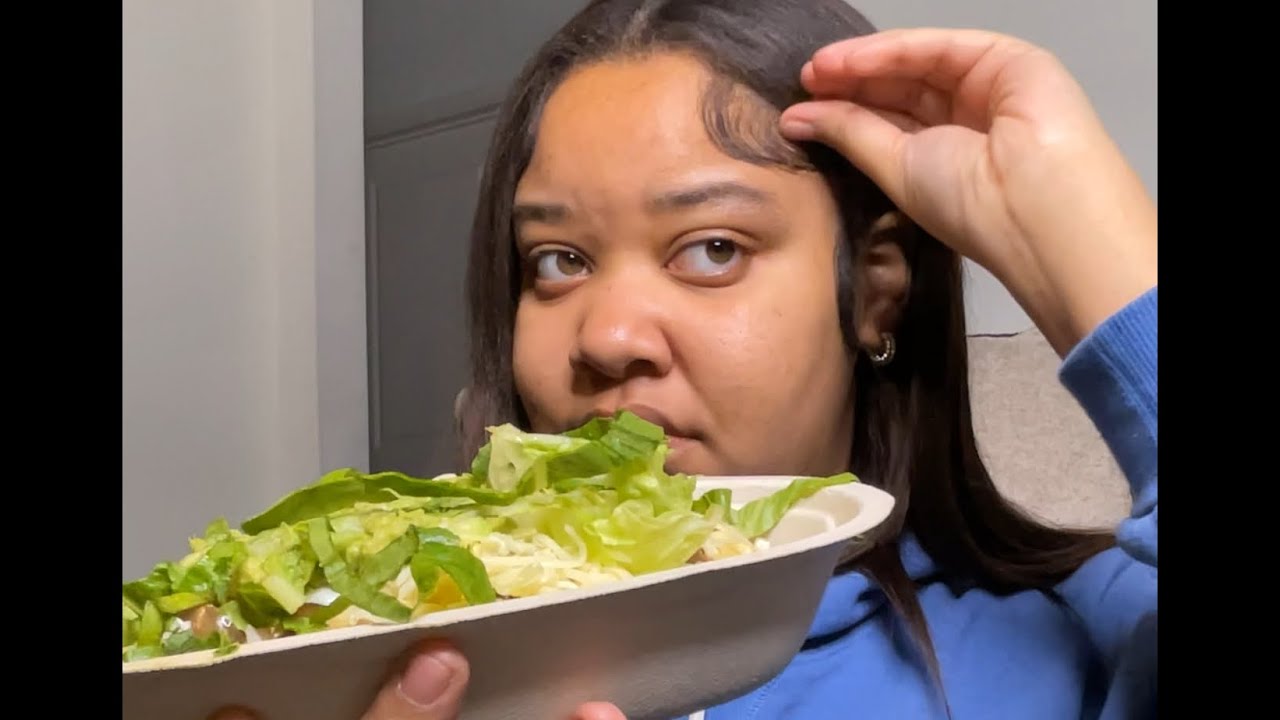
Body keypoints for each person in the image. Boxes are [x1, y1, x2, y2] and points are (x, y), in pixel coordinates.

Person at [218, 0, 1157, 718]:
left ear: (875, 289)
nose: (607, 337)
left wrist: (1088, 237)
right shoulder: (386, 657)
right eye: (559, 261)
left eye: (713, 249)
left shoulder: (1095, 639)